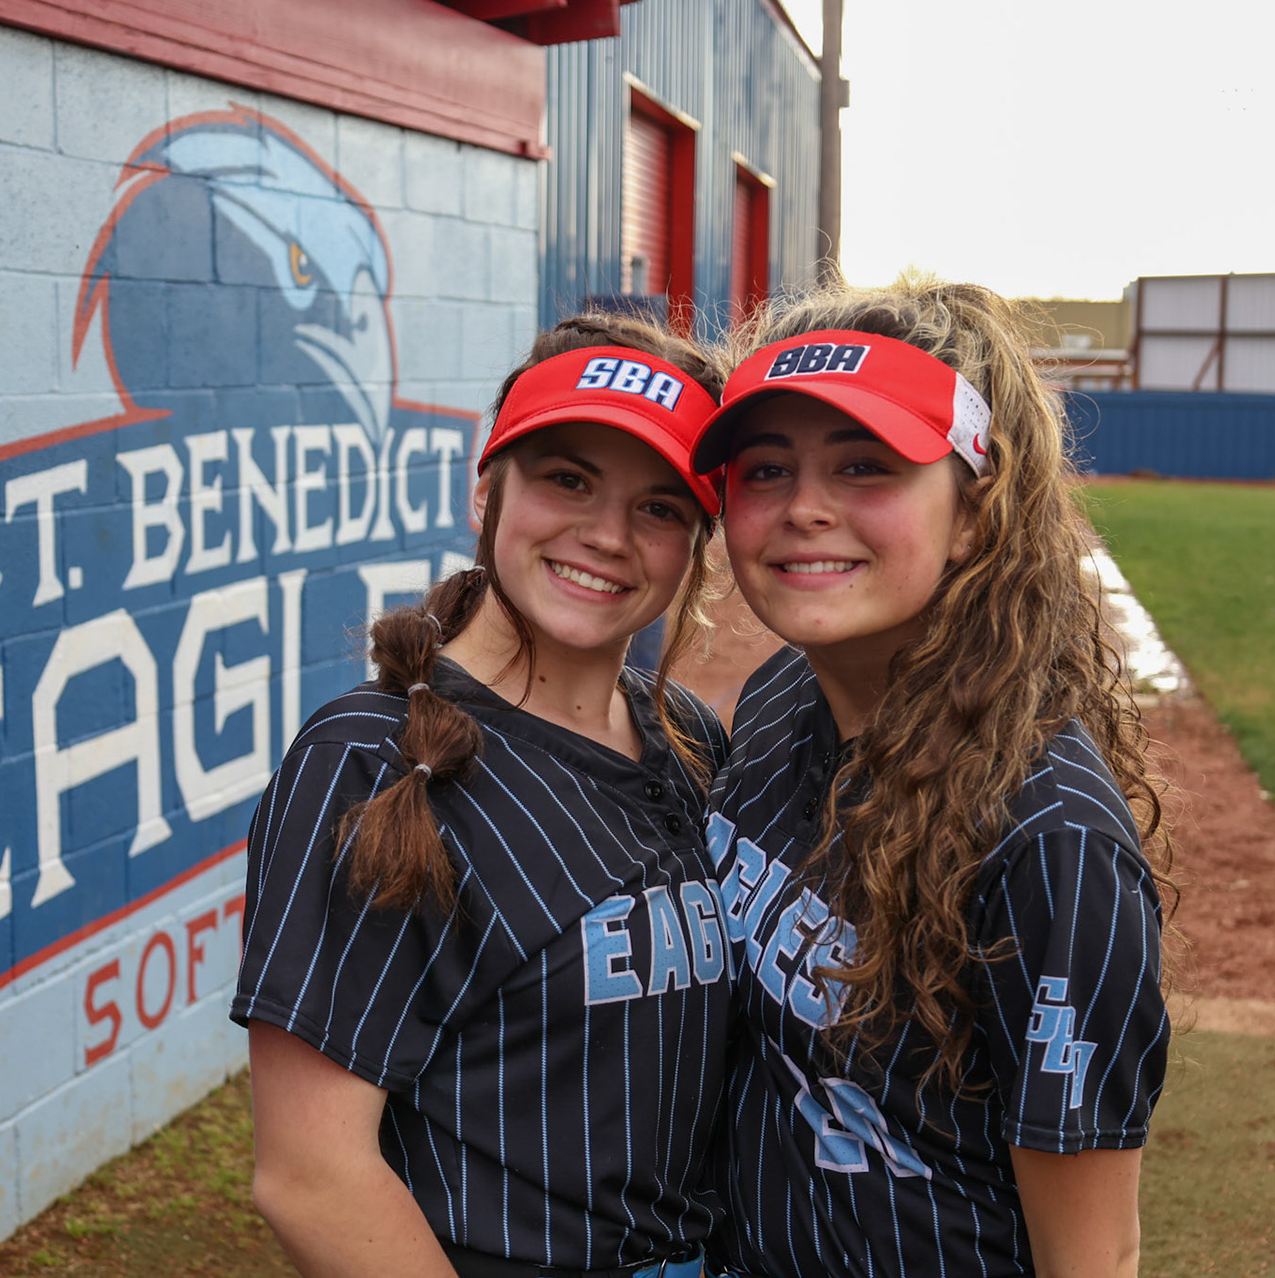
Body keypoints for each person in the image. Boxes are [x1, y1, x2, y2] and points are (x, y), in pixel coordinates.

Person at [689, 282, 1175, 1278]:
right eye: (767, 468)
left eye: (865, 466)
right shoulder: (786, 691)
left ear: (972, 515)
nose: (804, 508)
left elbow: (1092, 1253)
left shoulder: (1051, 842)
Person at [233, 315, 735, 1278]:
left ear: (695, 545)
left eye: (661, 507)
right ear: (486, 491)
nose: (607, 536)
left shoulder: (685, 737)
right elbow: (311, 1175)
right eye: (568, 479)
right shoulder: (374, 761)